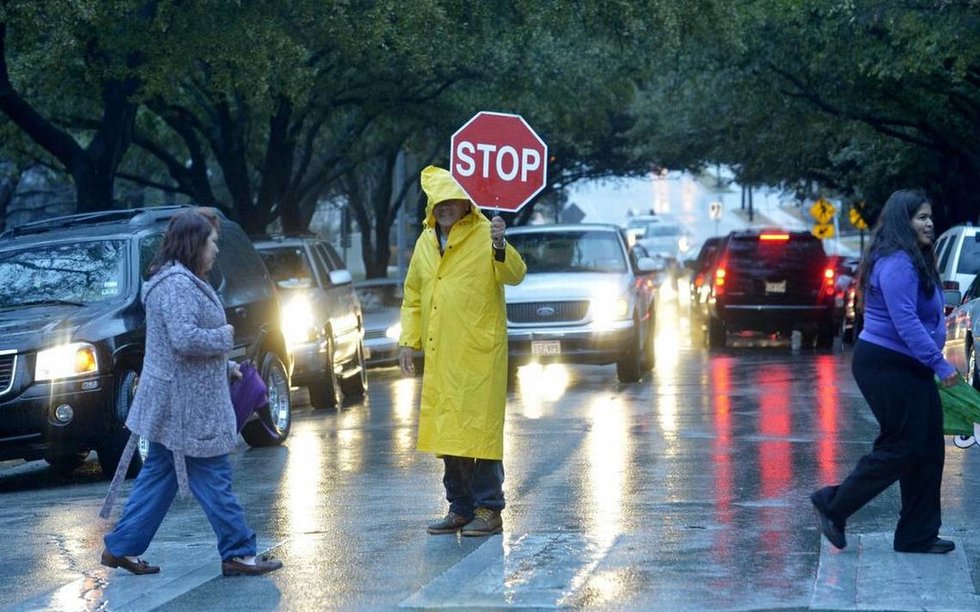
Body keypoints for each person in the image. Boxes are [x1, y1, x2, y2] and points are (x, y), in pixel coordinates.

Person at [99, 208, 282, 576]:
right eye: (212, 242)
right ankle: (238, 552)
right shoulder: (177, 286)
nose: (215, 250)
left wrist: (226, 366)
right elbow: (184, 340)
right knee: (214, 476)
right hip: (186, 408)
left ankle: (121, 547)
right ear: (194, 245)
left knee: (158, 477)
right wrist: (224, 339)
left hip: (180, 401)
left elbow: (174, 344)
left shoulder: (178, 281)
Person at [811, 189, 960, 554]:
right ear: (902, 222)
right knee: (903, 444)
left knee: (927, 447)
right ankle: (833, 505)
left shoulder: (914, 260)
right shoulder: (897, 262)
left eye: (929, 217)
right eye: (920, 217)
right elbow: (905, 322)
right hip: (886, 363)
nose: (929, 223)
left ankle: (916, 534)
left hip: (907, 364)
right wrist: (940, 364)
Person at [398, 166, 526, 537]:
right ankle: (459, 507)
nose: (445, 208)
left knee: (481, 434)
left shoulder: (487, 233)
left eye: (453, 201)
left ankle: (489, 509)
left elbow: (515, 274)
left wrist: (501, 243)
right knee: (450, 434)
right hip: (442, 356)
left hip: (478, 355)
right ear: (431, 206)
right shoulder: (425, 242)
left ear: (466, 203)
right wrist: (409, 340)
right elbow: (414, 296)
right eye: (439, 203)